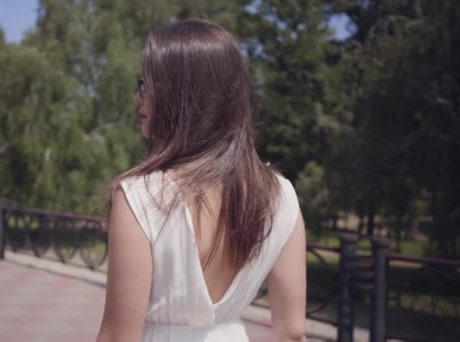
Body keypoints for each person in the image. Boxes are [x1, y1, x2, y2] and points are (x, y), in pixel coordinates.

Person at [96, 18, 306, 342]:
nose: (138, 98)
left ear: (180, 94)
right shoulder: (281, 196)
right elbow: (292, 332)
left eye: (146, 84)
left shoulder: (140, 198)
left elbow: (117, 337)